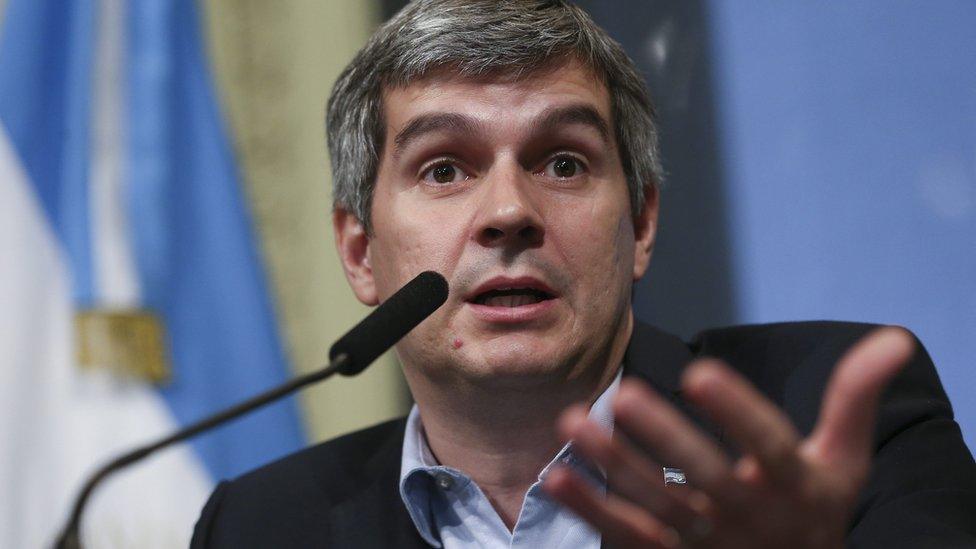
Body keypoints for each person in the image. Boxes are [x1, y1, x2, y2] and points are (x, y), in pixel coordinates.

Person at [191, 1, 976, 547]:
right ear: (361, 253)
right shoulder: (260, 525)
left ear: (640, 224)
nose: (508, 211)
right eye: (443, 169)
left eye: (563, 162)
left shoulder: (835, 418)